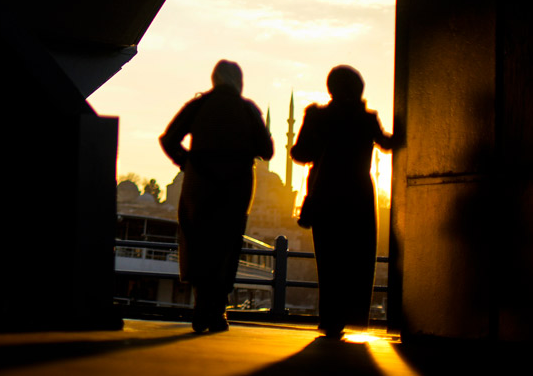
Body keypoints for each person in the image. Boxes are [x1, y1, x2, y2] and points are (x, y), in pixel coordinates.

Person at [159, 60, 274, 333]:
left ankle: (201, 307)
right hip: (235, 188)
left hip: (200, 186)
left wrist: (187, 163)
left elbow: (169, 139)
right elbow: (267, 150)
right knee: (226, 246)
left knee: (199, 243)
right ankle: (217, 310)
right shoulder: (247, 110)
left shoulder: (198, 106)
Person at [291, 65, 393, 338]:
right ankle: (356, 316)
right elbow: (387, 143)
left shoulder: (317, 117)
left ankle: (331, 319)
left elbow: (300, 153)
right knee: (358, 258)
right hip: (359, 193)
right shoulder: (366, 118)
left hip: (325, 192)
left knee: (329, 258)